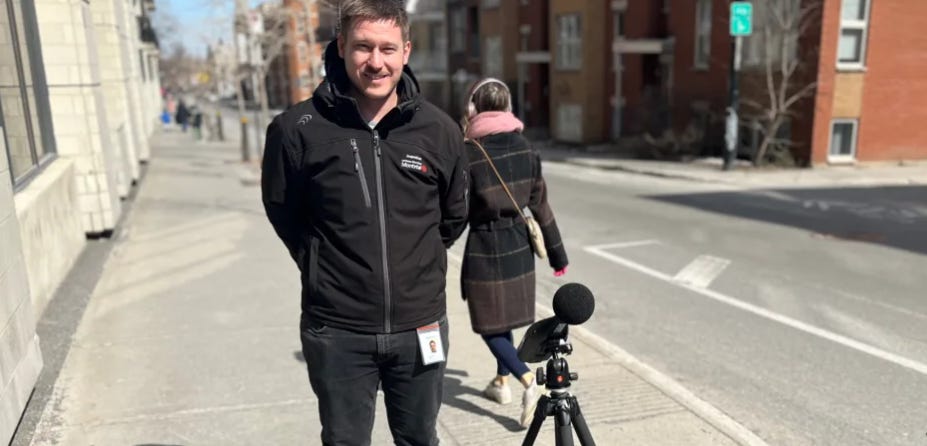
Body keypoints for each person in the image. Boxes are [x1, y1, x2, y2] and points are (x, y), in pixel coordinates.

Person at [260, 1, 469, 445]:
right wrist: (323, 264)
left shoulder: (440, 131)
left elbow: (453, 217)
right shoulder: (297, 130)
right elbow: (284, 213)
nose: (377, 62)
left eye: (388, 49)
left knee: (420, 438)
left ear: (406, 51)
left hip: (420, 326)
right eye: (363, 47)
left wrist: (415, 268)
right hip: (337, 330)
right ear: (341, 46)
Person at [459, 78, 569, 429]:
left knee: (489, 326)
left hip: (485, 247)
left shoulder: (470, 152)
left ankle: (524, 379)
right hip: (519, 247)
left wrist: (430, 249)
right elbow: (541, 205)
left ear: (474, 108)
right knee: (502, 320)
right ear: (507, 108)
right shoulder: (527, 148)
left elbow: (455, 212)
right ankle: (500, 384)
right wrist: (558, 257)